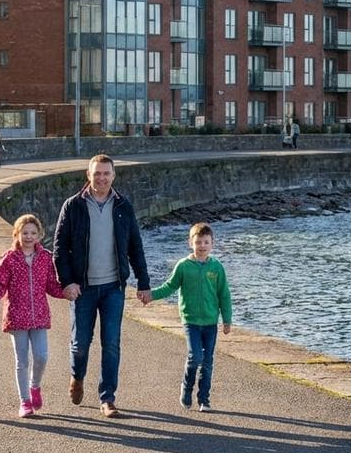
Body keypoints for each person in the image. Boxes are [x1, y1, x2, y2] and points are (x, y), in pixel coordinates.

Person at [52, 154, 151, 418]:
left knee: (111, 344)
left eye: (106, 173)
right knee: (80, 344)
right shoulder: (73, 206)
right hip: (82, 288)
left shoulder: (123, 206)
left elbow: (135, 246)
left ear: (113, 176)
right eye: (97, 173)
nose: (102, 178)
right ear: (89, 175)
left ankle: (107, 398)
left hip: (113, 288)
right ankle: (77, 376)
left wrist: (143, 282)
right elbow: (59, 249)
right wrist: (67, 282)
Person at [143, 222, 232, 413]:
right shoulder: (183, 266)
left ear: (212, 243)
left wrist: (227, 319)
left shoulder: (217, 267)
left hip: (210, 322)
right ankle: (187, 387)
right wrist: (151, 295)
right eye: (198, 242)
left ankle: (204, 399)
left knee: (207, 361)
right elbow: (169, 286)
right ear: (190, 243)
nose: (202, 246)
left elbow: (224, 295)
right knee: (195, 357)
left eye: (206, 242)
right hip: (191, 321)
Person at [0, 214, 65, 417]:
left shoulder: (46, 258)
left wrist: (66, 292)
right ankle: (24, 401)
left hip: (39, 315)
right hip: (17, 316)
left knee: (42, 355)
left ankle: (35, 386)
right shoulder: (9, 258)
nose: (29, 236)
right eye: (25, 233)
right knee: (22, 360)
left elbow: (51, 285)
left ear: (39, 235)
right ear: (16, 234)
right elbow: (0, 284)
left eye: (33, 233)